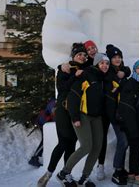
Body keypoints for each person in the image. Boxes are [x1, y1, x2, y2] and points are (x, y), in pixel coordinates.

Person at [37, 43, 87, 187]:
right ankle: (49, 173)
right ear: (73, 56)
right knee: (64, 142)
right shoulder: (66, 69)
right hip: (63, 111)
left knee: (71, 144)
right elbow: (62, 88)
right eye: (79, 55)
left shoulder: (84, 70)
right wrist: (74, 76)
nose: (82, 57)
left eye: (84, 55)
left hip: (76, 112)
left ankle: (67, 175)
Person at [57, 53, 110, 187]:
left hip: (96, 117)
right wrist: (75, 117)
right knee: (86, 146)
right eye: (102, 63)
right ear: (97, 63)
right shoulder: (87, 75)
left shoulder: (103, 78)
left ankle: (85, 177)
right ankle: (64, 172)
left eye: (107, 63)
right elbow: (73, 96)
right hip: (82, 115)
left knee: (97, 147)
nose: (105, 65)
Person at [99, 44, 131, 184]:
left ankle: (121, 168)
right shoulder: (108, 74)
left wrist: (125, 71)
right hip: (113, 113)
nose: (117, 59)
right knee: (123, 140)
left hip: (122, 112)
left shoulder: (122, 71)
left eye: (119, 57)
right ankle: (117, 170)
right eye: (114, 57)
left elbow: (127, 71)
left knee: (125, 141)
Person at [118, 60, 139, 186]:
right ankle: (138, 176)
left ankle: (132, 174)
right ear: (134, 70)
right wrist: (132, 127)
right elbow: (127, 106)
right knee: (135, 148)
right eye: (138, 68)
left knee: (136, 149)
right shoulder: (130, 83)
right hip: (131, 123)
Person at [29, 98, 56, 168]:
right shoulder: (53, 103)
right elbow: (54, 115)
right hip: (44, 123)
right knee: (45, 141)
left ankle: (35, 157)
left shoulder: (52, 102)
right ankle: (34, 157)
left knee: (44, 141)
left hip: (45, 123)